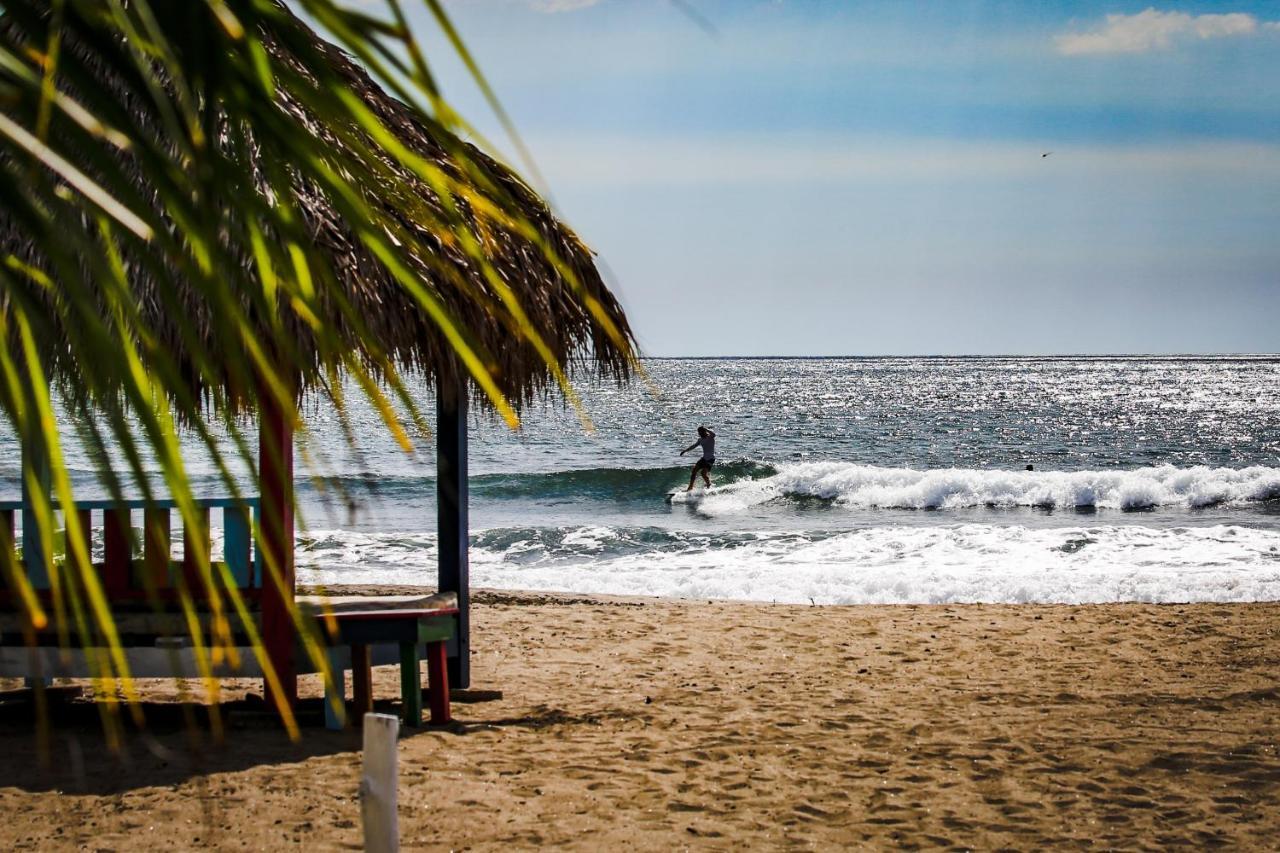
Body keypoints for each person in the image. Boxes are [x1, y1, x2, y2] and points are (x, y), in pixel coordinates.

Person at [680, 426, 716, 491]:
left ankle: (708, 484)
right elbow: (693, 446)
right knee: (694, 471)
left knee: (703, 473)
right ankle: (690, 487)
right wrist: (685, 450)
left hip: (710, 459)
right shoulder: (700, 440)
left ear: (704, 431)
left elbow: (714, 434)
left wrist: (706, 429)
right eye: (698, 432)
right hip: (704, 458)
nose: (699, 434)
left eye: (700, 432)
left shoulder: (710, 437)